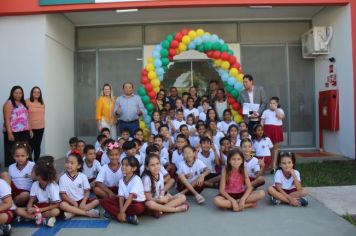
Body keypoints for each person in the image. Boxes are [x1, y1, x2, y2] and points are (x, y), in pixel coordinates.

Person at [15, 156, 60, 227]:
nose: (30, 173)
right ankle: (40, 219)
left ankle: (31, 218)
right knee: (17, 210)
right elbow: (31, 200)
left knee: (56, 211)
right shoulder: (35, 184)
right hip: (38, 207)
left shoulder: (52, 186)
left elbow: (57, 204)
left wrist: (40, 210)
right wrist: (29, 207)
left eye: (32, 172)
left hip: (48, 207)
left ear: (39, 176)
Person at [101, 156, 146, 225]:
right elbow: (121, 197)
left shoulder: (137, 179)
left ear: (134, 168)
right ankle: (128, 217)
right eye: (123, 164)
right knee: (104, 201)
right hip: (125, 201)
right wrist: (122, 211)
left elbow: (131, 196)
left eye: (127, 165)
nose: (123, 167)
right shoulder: (121, 180)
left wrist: (122, 211)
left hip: (136, 202)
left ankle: (114, 215)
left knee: (139, 208)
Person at [142, 153, 188, 218]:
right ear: (147, 167)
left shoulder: (160, 174)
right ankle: (176, 209)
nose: (156, 167)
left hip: (160, 200)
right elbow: (147, 198)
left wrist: (165, 196)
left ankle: (161, 210)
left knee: (182, 197)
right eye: (152, 165)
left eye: (157, 164)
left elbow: (161, 190)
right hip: (152, 202)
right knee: (150, 204)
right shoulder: (146, 178)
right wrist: (160, 200)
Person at [59, 153, 100, 220]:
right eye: (67, 162)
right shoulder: (62, 178)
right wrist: (73, 202)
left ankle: (73, 213)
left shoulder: (83, 176)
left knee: (97, 201)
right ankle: (87, 213)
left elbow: (87, 191)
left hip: (82, 201)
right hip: (70, 201)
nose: (69, 165)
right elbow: (63, 195)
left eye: (72, 163)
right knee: (62, 205)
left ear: (79, 166)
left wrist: (83, 201)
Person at [3, 86, 32, 166]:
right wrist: (9, 133)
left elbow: (26, 118)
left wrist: (30, 129)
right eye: (16, 93)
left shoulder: (23, 103)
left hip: (23, 131)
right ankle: (13, 170)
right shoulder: (9, 103)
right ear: (12, 93)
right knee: (13, 151)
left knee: (25, 149)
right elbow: (7, 120)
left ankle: (26, 168)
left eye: (20, 93)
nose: (18, 95)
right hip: (13, 132)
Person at [261, 97, 285, 173]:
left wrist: (276, 109)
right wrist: (261, 128)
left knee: (275, 148)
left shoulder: (280, 110)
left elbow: (281, 117)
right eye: (270, 103)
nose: (271, 104)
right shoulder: (265, 111)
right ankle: (266, 164)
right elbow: (262, 121)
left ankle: (274, 165)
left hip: (276, 130)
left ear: (277, 104)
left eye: (274, 103)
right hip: (267, 130)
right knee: (266, 148)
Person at [8, 142, 35, 206]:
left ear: (27, 155)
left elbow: (36, 179)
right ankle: (8, 199)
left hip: (26, 191)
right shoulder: (11, 167)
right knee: (4, 174)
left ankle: (11, 204)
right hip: (13, 191)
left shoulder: (32, 165)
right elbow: (9, 182)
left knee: (25, 195)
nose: (20, 158)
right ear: (13, 156)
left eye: (22, 156)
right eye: (17, 156)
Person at [26, 86, 45, 163]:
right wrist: (29, 129)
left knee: (38, 146)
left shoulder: (42, 103)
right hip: (31, 128)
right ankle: (29, 162)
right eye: (35, 92)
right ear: (32, 93)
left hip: (41, 127)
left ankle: (37, 162)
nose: (37, 93)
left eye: (38, 92)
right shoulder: (27, 101)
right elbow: (25, 117)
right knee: (30, 147)